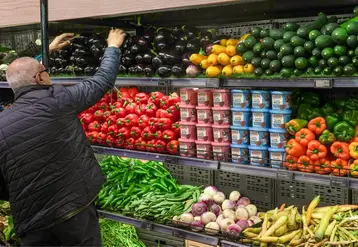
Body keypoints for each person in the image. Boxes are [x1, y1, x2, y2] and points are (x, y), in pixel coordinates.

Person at [0, 28, 126, 246]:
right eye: (45, 71)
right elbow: (102, 80)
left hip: (31, 221)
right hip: (73, 211)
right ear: (40, 77)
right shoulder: (58, 100)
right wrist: (113, 47)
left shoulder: (1, 123)